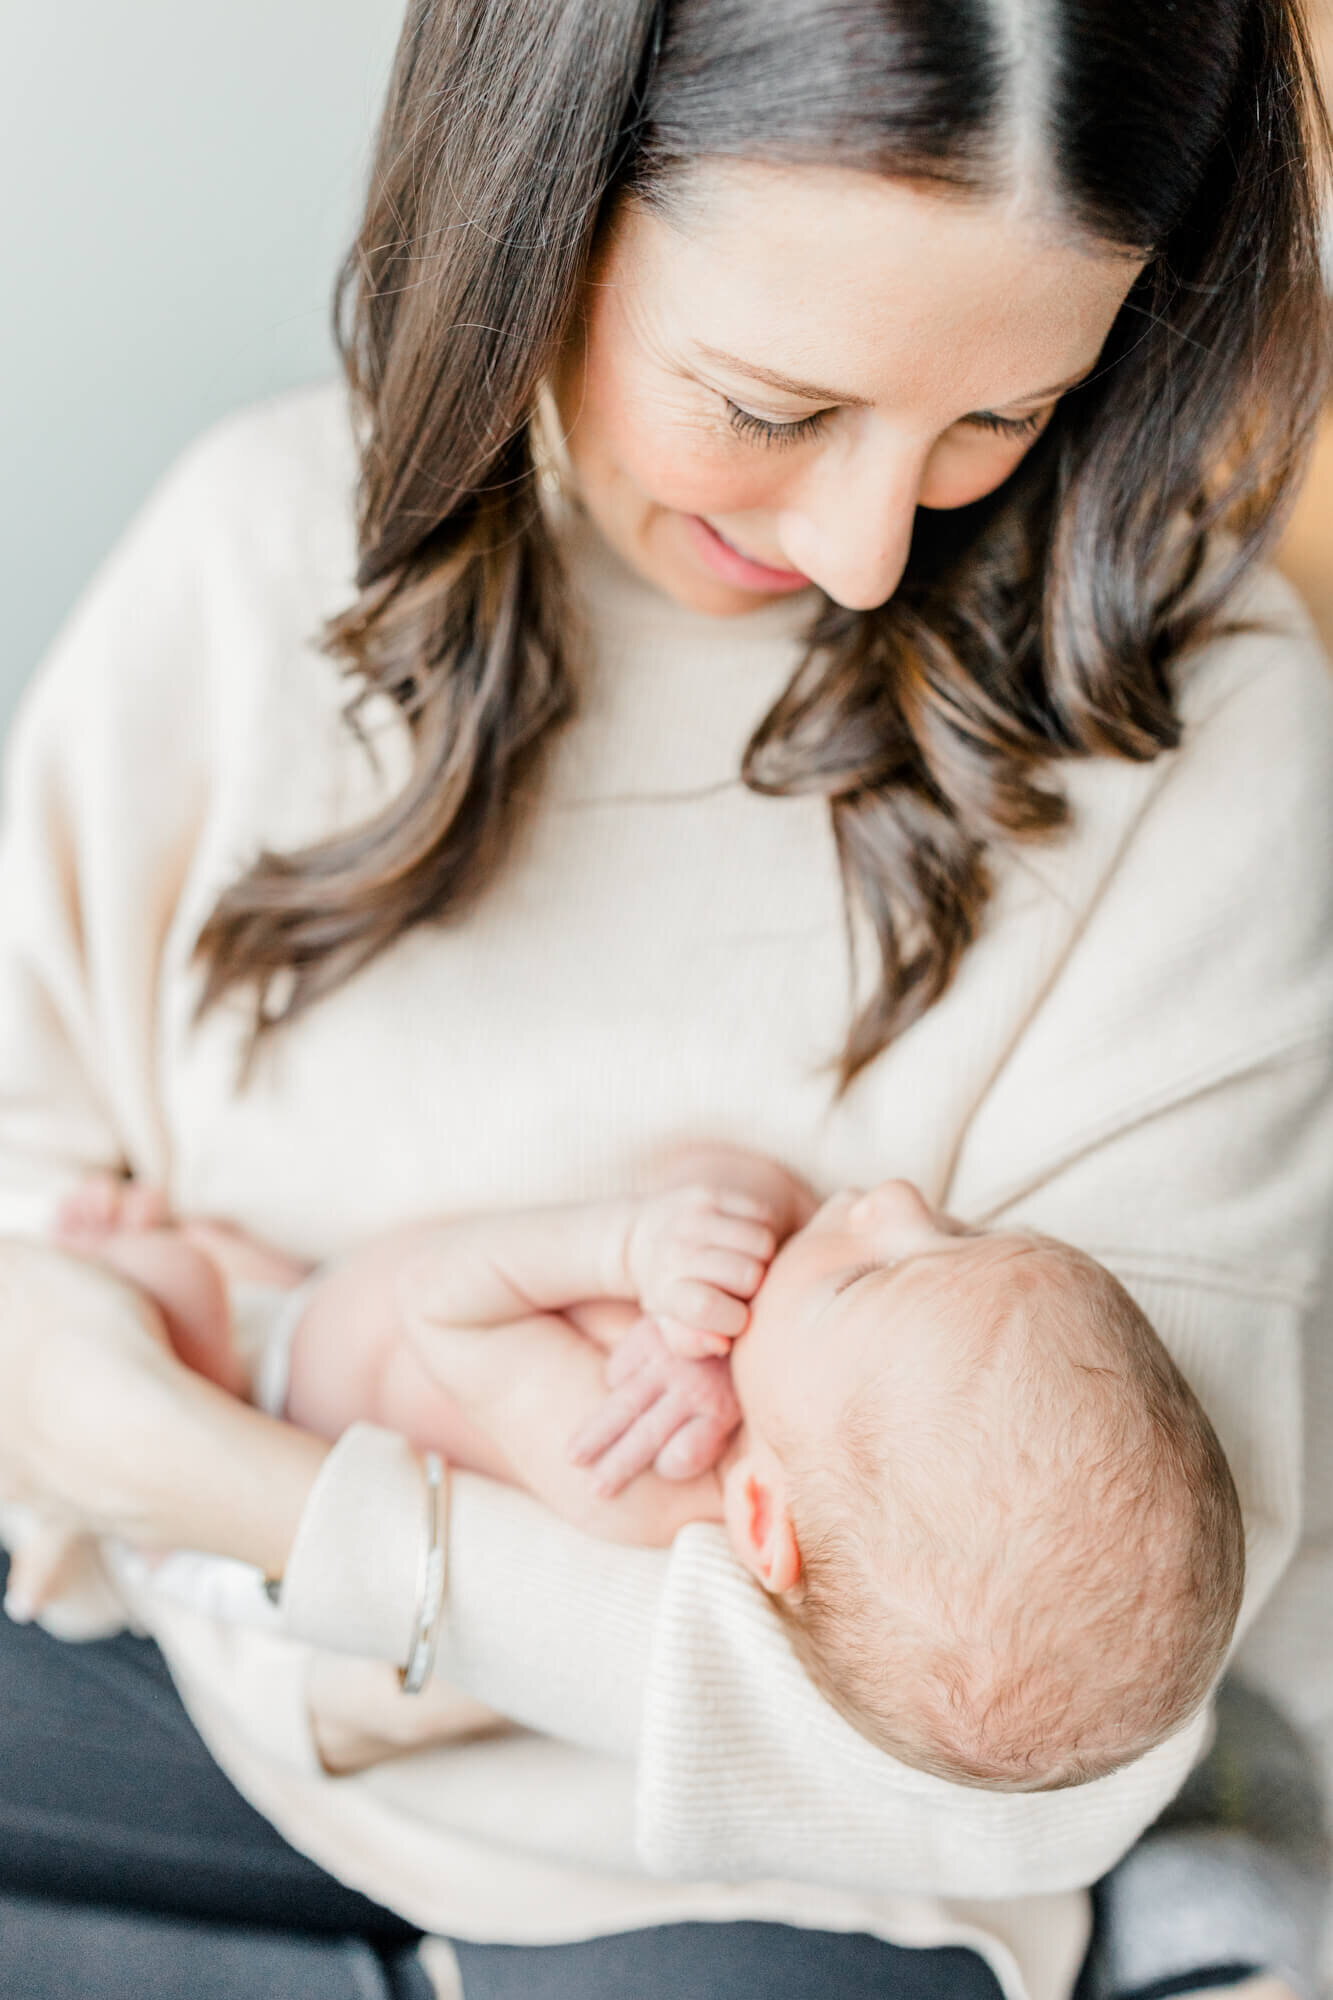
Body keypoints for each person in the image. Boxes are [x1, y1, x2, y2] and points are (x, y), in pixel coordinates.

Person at [1, 1, 1331, 1996]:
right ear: (543, 211)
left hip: (763, 1882)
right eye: (772, 407)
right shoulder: (255, 560)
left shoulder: (1196, 735)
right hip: (189, 1685)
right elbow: (34, 1218)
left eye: (1000, 419)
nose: (870, 551)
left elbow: (1049, 1747)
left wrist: (282, 1503)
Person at [35, 1151, 1245, 1796]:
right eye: (957, 1232)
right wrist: (699, 1225)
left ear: (762, 1516)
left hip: (256, 1425)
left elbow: (444, 1307)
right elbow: (717, 1167)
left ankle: (81, 1479)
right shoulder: (778, 1366)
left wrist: (624, 1246)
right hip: (303, 1305)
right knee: (196, 1253)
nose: (894, 1198)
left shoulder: (632, 1469)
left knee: (160, 1293)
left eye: (869, 1269)